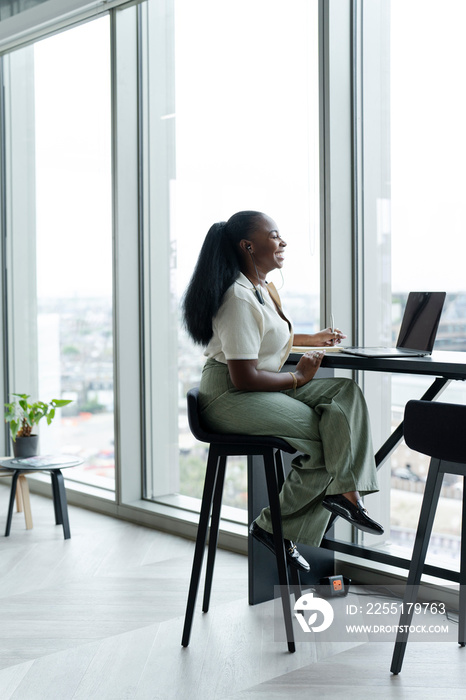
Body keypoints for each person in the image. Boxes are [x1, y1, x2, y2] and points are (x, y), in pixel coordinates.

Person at [182, 210, 382, 572]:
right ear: (248, 246)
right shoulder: (238, 297)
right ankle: (277, 526)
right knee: (329, 436)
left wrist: (310, 339)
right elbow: (243, 377)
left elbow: (263, 339)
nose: (283, 242)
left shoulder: (258, 289)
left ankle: (342, 494)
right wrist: (298, 379)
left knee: (344, 393)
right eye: (274, 235)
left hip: (257, 390)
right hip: (230, 396)